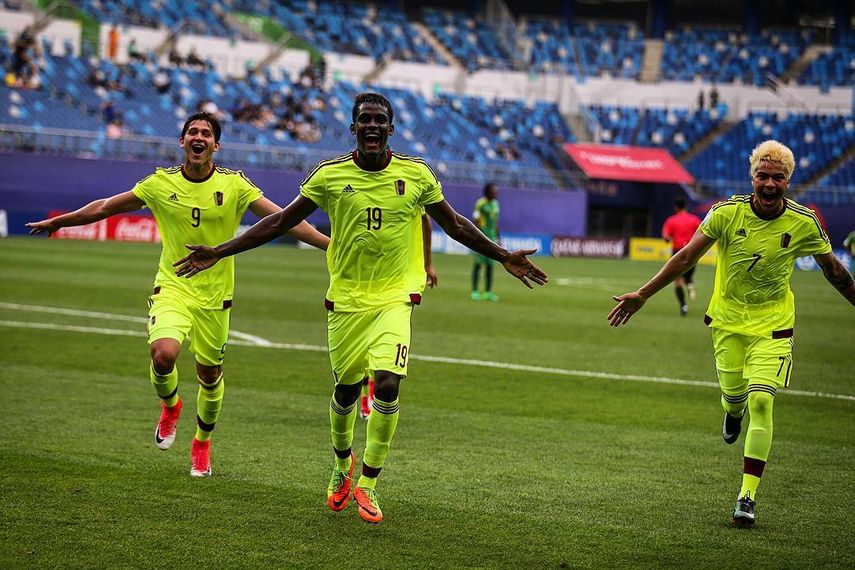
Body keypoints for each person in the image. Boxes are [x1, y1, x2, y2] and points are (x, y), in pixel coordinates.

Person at [174, 92, 548, 524]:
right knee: (346, 393)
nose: (372, 126)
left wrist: (502, 255)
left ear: (390, 128)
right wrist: (221, 250)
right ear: (353, 127)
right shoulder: (329, 176)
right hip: (346, 302)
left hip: (394, 297)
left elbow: (454, 223)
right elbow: (279, 222)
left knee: (387, 385)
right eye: (364, 120)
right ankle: (341, 465)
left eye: (380, 120)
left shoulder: (417, 174)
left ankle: (368, 483)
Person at [26, 112, 330, 478]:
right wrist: (60, 221)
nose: (198, 136)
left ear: (216, 145)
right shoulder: (159, 183)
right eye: (192, 132)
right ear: (182, 142)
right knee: (164, 354)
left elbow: (285, 219)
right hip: (173, 286)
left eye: (206, 132)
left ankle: (201, 442)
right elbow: (107, 206)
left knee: (209, 373)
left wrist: (329, 245)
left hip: (216, 297)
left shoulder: (235, 185)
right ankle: (170, 405)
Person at [607, 140, 855, 528]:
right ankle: (731, 411)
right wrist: (643, 294)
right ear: (751, 177)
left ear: (789, 180)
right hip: (726, 324)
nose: (770, 184)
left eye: (778, 177)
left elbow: (835, 272)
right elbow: (686, 256)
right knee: (736, 399)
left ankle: (747, 496)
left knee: (762, 403)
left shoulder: (804, 222)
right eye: (763, 176)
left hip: (773, 327)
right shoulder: (725, 214)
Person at [360, 213, 437, 419]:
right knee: (370, 342)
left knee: (377, 342)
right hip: (373, 276)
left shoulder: (409, 187)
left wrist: (427, 264)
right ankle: (366, 397)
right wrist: (428, 264)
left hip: (393, 281)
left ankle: (368, 398)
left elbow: (426, 220)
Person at [661, 196, 702, 316]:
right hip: (692, 250)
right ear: (686, 206)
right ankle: (690, 286)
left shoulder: (671, 220)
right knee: (688, 275)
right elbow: (702, 232)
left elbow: (665, 237)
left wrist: (669, 238)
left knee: (678, 280)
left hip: (678, 252)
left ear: (676, 207)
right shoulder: (694, 219)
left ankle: (683, 306)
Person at [471, 182, 500, 301]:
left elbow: (496, 223)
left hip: (492, 239)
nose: (496, 193)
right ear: (487, 192)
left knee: (490, 266)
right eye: (494, 191)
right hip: (481, 239)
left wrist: (498, 238)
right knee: (478, 264)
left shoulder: (495, 204)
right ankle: (475, 291)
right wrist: (477, 237)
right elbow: (476, 220)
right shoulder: (480, 204)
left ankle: (488, 292)